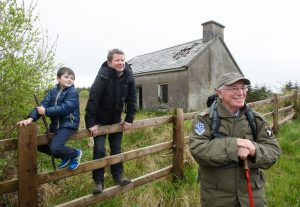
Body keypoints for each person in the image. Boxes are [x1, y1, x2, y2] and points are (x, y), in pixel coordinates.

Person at [189, 72, 281, 207]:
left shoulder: (256, 119)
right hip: (217, 196)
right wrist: (236, 144)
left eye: (243, 88)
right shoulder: (204, 119)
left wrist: (253, 149)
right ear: (220, 93)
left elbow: (274, 151)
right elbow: (198, 149)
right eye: (234, 88)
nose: (240, 92)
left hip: (252, 194)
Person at [85, 48, 137, 194]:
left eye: (122, 60)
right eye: (117, 60)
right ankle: (98, 182)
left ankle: (118, 176)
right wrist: (91, 123)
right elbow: (93, 98)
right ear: (110, 62)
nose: (121, 63)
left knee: (116, 149)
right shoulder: (103, 75)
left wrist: (129, 119)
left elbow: (132, 99)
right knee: (99, 150)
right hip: (99, 121)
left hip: (116, 120)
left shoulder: (128, 75)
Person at [18, 67, 82, 170]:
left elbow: (66, 108)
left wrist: (46, 111)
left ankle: (75, 154)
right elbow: (43, 105)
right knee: (40, 144)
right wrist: (31, 118)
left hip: (68, 124)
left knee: (56, 148)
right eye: (66, 77)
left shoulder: (73, 92)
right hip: (55, 125)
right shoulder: (52, 92)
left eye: (72, 78)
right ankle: (66, 156)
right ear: (58, 78)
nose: (69, 79)